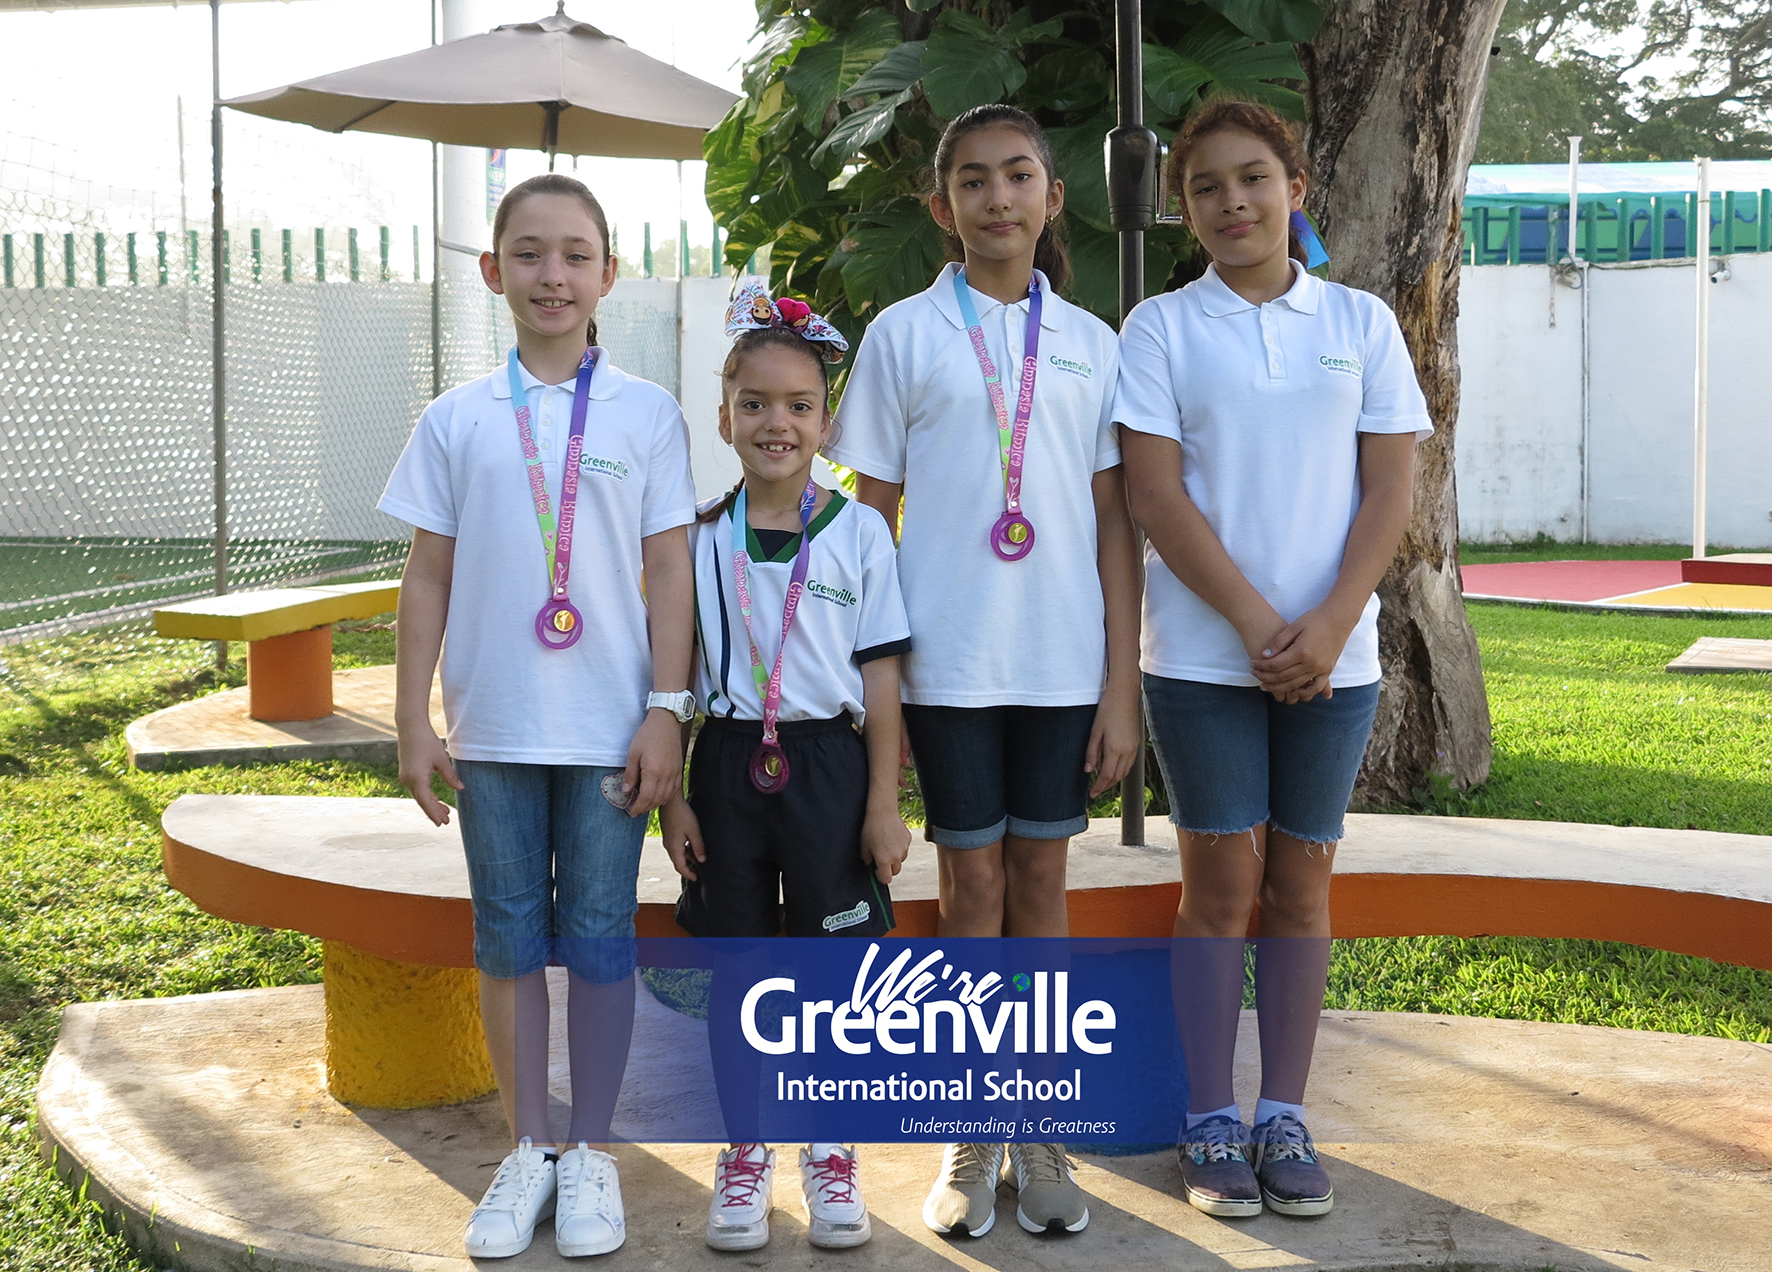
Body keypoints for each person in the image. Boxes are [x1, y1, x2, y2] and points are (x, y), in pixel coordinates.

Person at [830, 103, 1143, 1238]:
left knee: (1042, 895)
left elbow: (1115, 525)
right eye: (974, 180)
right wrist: (879, 687)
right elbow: (868, 518)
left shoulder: (1095, 344)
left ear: (1053, 199)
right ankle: (971, 1134)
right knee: (966, 894)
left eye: (1019, 176)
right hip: (945, 666)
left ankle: (1041, 1132)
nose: (997, 198)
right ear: (941, 205)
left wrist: (1121, 683)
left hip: (1062, 667)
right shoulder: (903, 337)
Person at [1114, 100, 1430, 1219]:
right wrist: (1254, 624)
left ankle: (1283, 1114)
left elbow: (1390, 485)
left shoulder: (1359, 320)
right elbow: (1154, 496)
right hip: (1202, 659)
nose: (1231, 203)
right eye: (1205, 188)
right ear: (1183, 207)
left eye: (1252, 178)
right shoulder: (1158, 327)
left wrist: (1334, 622)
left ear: (1295, 186)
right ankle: (1210, 1121)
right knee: (1219, 887)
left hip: (1335, 664)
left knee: (1299, 886)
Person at [381, 173, 698, 1259]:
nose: (551, 274)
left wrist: (668, 710)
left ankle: (593, 1154)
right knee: (509, 938)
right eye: (528, 253)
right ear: (492, 272)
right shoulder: (457, 418)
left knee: (603, 941)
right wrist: (413, 719)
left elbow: (668, 573)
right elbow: (426, 576)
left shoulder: (647, 415)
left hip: (610, 732)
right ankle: (529, 1152)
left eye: (574, 254)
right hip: (496, 733)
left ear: (609, 274)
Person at [658, 284, 913, 1253]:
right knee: (739, 974)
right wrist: (673, 798)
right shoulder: (693, 539)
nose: (776, 423)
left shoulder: (857, 534)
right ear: (722, 417)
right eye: (754, 404)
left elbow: (880, 680)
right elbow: (673, 680)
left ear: (824, 421)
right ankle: (743, 1150)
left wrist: (882, 805)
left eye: (798, 406)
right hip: (726, 763)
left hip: (825, 765)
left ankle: (831, 1148)